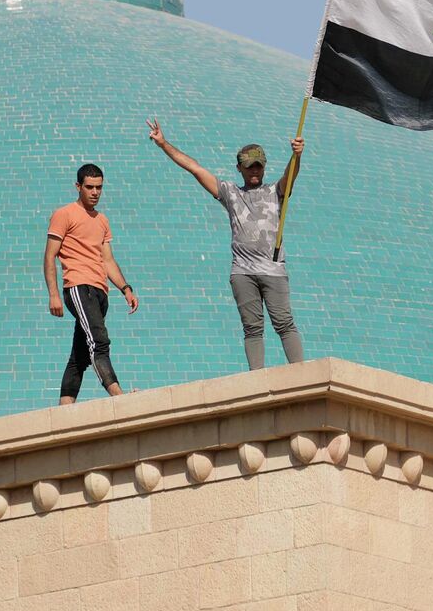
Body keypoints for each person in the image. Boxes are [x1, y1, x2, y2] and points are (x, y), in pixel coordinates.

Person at [148, 119, 305, 369]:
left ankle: (301, 373)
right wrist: (164, 144)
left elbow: (290, 176)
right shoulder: (231, 193)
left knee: (284, 322)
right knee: (252, 328)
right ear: (239, 168)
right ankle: (257, 378)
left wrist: (296, 156)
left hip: (273, 270)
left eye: (258, 167)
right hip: (243, 272)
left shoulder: (275, 192)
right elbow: (195, 169)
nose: (254, 172)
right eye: (249, 167)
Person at [43, 163, 137, 404]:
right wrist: (54, 294)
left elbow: (108, 260)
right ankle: (118, 396)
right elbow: (49, 255)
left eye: (99, 188)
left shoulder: (102, 220)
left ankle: (64, 409)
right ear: (78, 187)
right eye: (90, 187)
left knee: (80, 355)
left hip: (99, 291)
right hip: (78, 286)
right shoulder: (64, 214)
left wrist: (125, 289)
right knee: (99, 340)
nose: (95, 192)